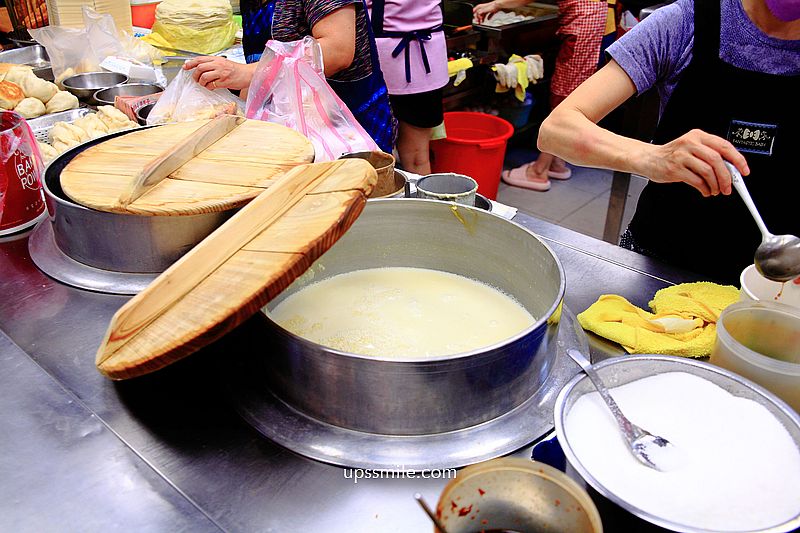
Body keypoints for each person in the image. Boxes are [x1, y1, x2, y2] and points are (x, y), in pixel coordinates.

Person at [538, 0, 800, 283]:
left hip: (780, 287)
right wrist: (652, 157)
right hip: (660, 269)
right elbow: (557, 130)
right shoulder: (687, 21)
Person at [185, 0, 396, 154]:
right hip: (287, 131)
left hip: (346, 129)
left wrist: (244, 73)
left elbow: (337, 50)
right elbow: (264, 57)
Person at [473, 0, 607, 191]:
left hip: (581, 25)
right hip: (589, 21)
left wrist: (498, 3)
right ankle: (557, 162)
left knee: (564, 99)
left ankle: (538, 171)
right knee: (572, 91)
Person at [366, 0, 447, 175]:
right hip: (427, 59)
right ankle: (419, 201)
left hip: (383, 58)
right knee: (418, 157)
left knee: (374, 155)